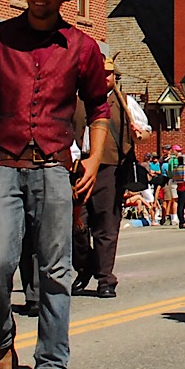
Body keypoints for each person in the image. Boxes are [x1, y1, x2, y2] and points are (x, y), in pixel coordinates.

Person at [0, 0, 109, 369]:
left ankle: (52, 359)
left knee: (56, 270)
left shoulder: (82, 48)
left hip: (54, 166)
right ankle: (2, 340)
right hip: (2, 164)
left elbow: (100, 107)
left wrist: (95, 159)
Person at [73, 57, 137, 299]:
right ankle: (85, 266)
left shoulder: (125, 104)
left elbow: (143, 132)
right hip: (78, 168)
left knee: (105, 227)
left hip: (109, 169)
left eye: (108, 75)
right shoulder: (74, 102)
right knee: (75, 226)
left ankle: (105, 279)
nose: (104, 78)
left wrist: (138, 135)